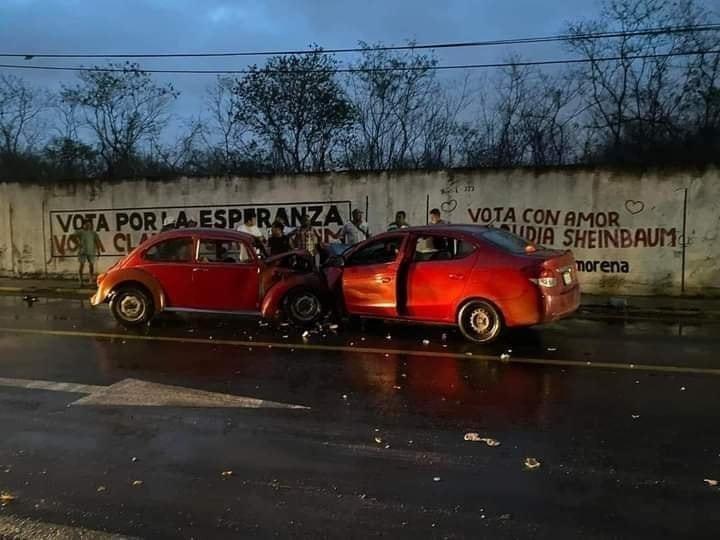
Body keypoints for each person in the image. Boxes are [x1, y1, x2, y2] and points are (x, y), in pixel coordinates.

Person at [70, 219, 103, 286]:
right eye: (86, 224)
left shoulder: (93, 233)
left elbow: (97, 241)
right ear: (84, 225)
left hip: (91, 251)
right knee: (81, 265)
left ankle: (90, 280)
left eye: (89, 224)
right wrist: (78, 244)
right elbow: (71, 237)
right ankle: (81, 281)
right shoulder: (80, 232)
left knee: (91, 265)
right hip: (82, 252)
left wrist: (98, 250)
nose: (88, 226)